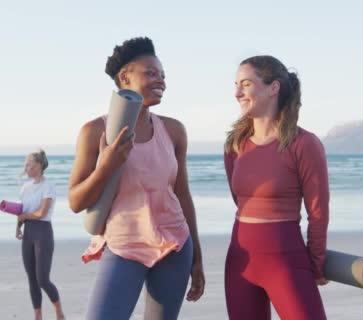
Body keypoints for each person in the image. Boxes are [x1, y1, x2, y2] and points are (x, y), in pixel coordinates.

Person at [68, 36, 205, 320]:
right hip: (123, 245)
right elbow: (75, 201)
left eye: (163, 76)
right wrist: (106, 165)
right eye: (151, 73)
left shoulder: (174, 130)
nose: (161, 81)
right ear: (125, 77)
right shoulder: (94, 132)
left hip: (175, 245)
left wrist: (197, 257)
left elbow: (182, 194)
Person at [223, 55, 329, 319]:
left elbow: (317, 213)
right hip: (240, 262)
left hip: (286, 262)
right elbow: (241, 201)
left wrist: (316, 263)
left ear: (274, 87)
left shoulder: (304, 144)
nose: (237, 93)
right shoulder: (234, 145)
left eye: (246, 84)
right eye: (236, 85)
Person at [15, 150, 65, 320]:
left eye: (30, 164)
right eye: (26, 164)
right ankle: (38, 315)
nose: (26, 167)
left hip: (43, 232)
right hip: (28, 233)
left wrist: (24, 217)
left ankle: (59, 311)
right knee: (32, 279)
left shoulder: (48, 186)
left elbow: (42, 212)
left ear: (40, 166)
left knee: (42, 278)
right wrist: (18, 227)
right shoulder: (25, 188)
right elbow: (22, 211)